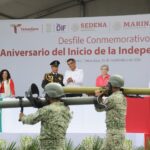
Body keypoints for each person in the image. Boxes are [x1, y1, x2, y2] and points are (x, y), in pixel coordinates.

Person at [19, 83, 72, 150]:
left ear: (49, 96)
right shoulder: (66, 109)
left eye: (46, 95)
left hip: (48, 147)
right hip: (61, 146)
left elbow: (32, 120)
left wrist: (23, 117)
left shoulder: (46, 110)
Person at [94, 75, 127, 150]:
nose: (107, 86)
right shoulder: (122, 96)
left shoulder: (113, 98)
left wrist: (97, 96)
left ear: (113, 85)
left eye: (109, 85)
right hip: (116, 133)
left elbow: (99, 108)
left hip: (114, 134)